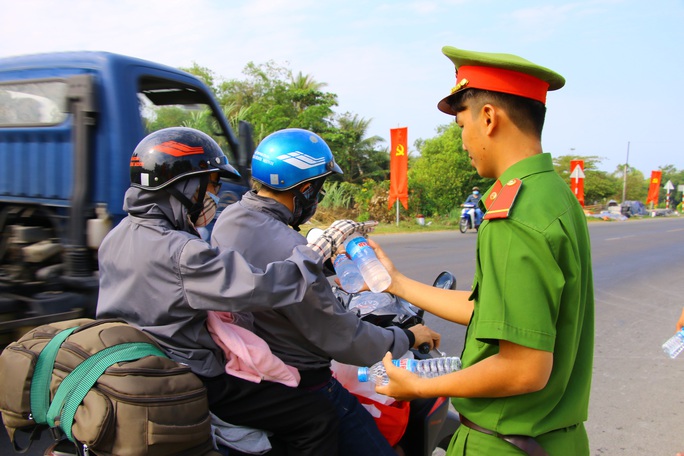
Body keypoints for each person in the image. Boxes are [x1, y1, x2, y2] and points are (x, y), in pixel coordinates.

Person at [96, 127, 376, 456]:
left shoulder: (118, 235)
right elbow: (265, 287)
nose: (214, 196)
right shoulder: (180, 250)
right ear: (185, 185)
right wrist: (315, 251)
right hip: (192, 373)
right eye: (211, 185)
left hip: (135, 361)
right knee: (317, 417)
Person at [373, 46, 595, 456]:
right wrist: (397, 283)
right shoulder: (553, 194)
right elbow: (488, 311)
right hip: (553, 440)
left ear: (489, 118)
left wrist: (420, 385)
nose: (463, 142)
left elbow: (524, 369)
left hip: (505, 443)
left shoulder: (513, 215)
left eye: (461, 126)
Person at [211, 128, 442, 456]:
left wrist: (327, 266)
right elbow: (343, 337)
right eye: (317, 189)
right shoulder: (287, 244)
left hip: (248, 370)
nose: (317, 198)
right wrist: (407, 336)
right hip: (301, 380)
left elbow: (266, 272)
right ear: (305, 189)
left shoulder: (231, 218)